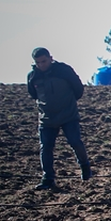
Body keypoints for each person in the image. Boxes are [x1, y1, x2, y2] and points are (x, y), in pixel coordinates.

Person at [27, 47, 92, 190]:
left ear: (50, 58)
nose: (41, 65)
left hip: (68, 115)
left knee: (75, 142)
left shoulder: (64, 71)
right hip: (47, 118)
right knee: (46, 148)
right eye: (38, 63)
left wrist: (67, 104)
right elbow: (33, 94)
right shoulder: (33, 76)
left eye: (44, 61)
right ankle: (48, 178)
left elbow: (78, 89)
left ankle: (85, 166)